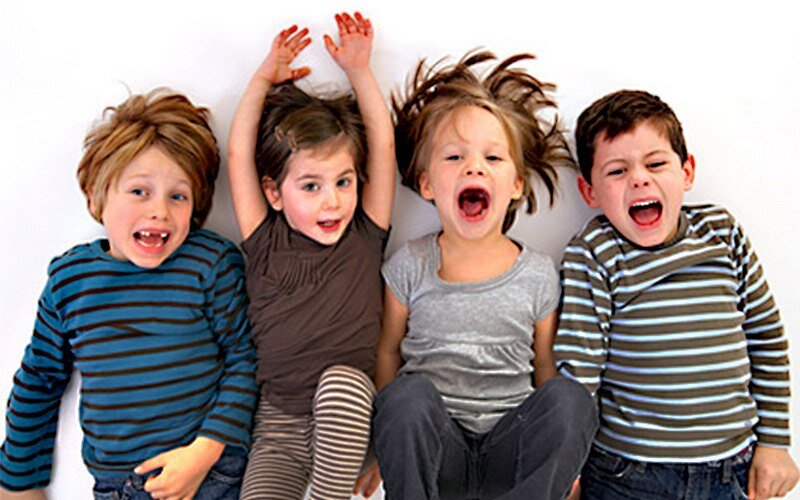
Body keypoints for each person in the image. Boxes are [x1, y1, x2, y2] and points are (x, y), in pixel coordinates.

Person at [0, 89, 257, 499]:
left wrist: (205, 451)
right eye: (140, 191)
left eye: (178, 196)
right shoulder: (69, 281)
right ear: (97, 195)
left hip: (210, 471)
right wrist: (17, 484)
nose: (160, 211)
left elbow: (245, 357)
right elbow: (40, 379)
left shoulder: (210, 262)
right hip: (120, 485)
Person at [372, 51, 597, 500]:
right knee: (405, 396)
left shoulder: (538, 274)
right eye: (454, 156)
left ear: (515, 185)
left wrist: (562, 460)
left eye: (493, 157)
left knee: (572, 400)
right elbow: (387, 353)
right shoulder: (409, 266)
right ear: (427, 183)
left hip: (510, 456)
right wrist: (384, 452)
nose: (474, 167)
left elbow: (544, 369)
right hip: (440, 453)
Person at [554, 89, 799, 499]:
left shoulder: (722, 234)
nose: (639, 178)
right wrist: (567, 468)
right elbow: (579, 373)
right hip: (628, 473)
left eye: (656, 164)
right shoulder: (594, 252)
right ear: (589, 191)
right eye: (617, 171)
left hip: (731, 469)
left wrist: (774, 443)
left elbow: (767, 339)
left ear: (687, 171)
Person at [226, 12, 395, 499]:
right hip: (278, 425)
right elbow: (238, 156)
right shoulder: (264, 240)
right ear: (274, 193)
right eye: (311, 186)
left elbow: (383, 145)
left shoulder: (364, 235)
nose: (333, 201)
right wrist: (262, 79)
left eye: (343, 182)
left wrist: (360, 71)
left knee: (342, 383)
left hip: (347, 417)